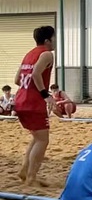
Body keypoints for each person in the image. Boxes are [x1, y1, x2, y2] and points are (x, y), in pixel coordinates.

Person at [13, 25, 56, 186]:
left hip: (20, 101)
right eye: (54, 37)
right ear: (47, 40)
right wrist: (46, 96)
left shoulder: (29, 54)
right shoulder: (47, 54)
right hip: (33, 103)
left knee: (37, 137)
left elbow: (17, 80)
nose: (55, 41)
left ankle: (24, 170)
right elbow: (36, 73)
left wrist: (29, 89)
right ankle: (31, 178)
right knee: (43, 140)